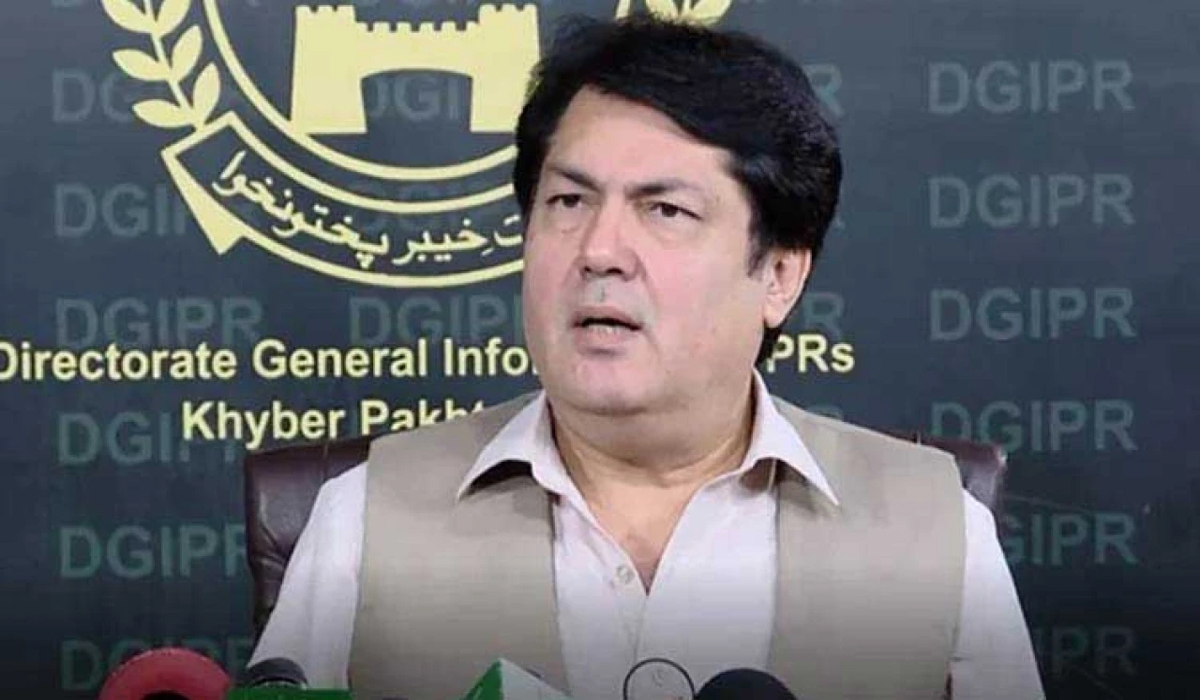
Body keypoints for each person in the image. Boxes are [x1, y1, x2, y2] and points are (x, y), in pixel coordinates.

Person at [251, 14, 1045, 700]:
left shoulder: (939, 530)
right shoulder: (363, 517)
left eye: (665, 210)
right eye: (568, 201)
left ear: (778, 274)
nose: (599, 250)